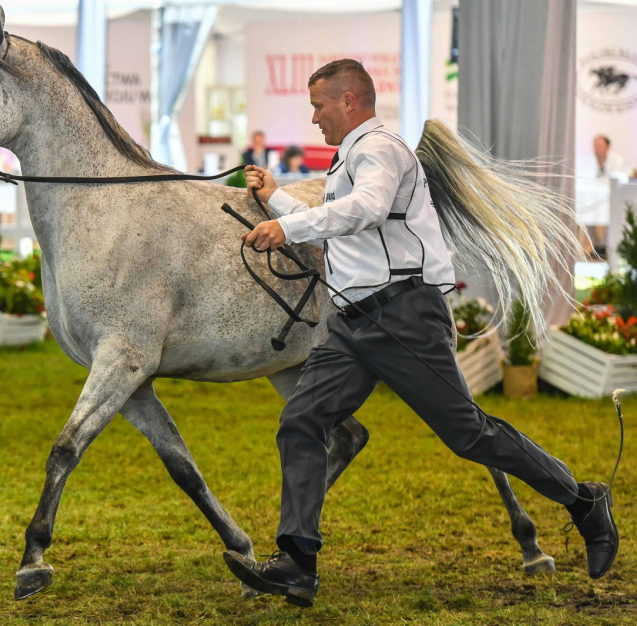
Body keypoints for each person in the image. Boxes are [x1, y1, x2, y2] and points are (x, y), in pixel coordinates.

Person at [222, 59, 619, 608]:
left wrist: (285, 225)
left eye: (318, 106)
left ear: (349, 102)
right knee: (301, 420)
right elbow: (346, 220)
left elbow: (367, 210)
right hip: (355, 326)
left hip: (403, 318)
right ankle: (297, 564)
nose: (313, 118)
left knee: (470, 435)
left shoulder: (380, 148)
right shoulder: (350, 158)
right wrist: (277, 197)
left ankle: (582, 501)